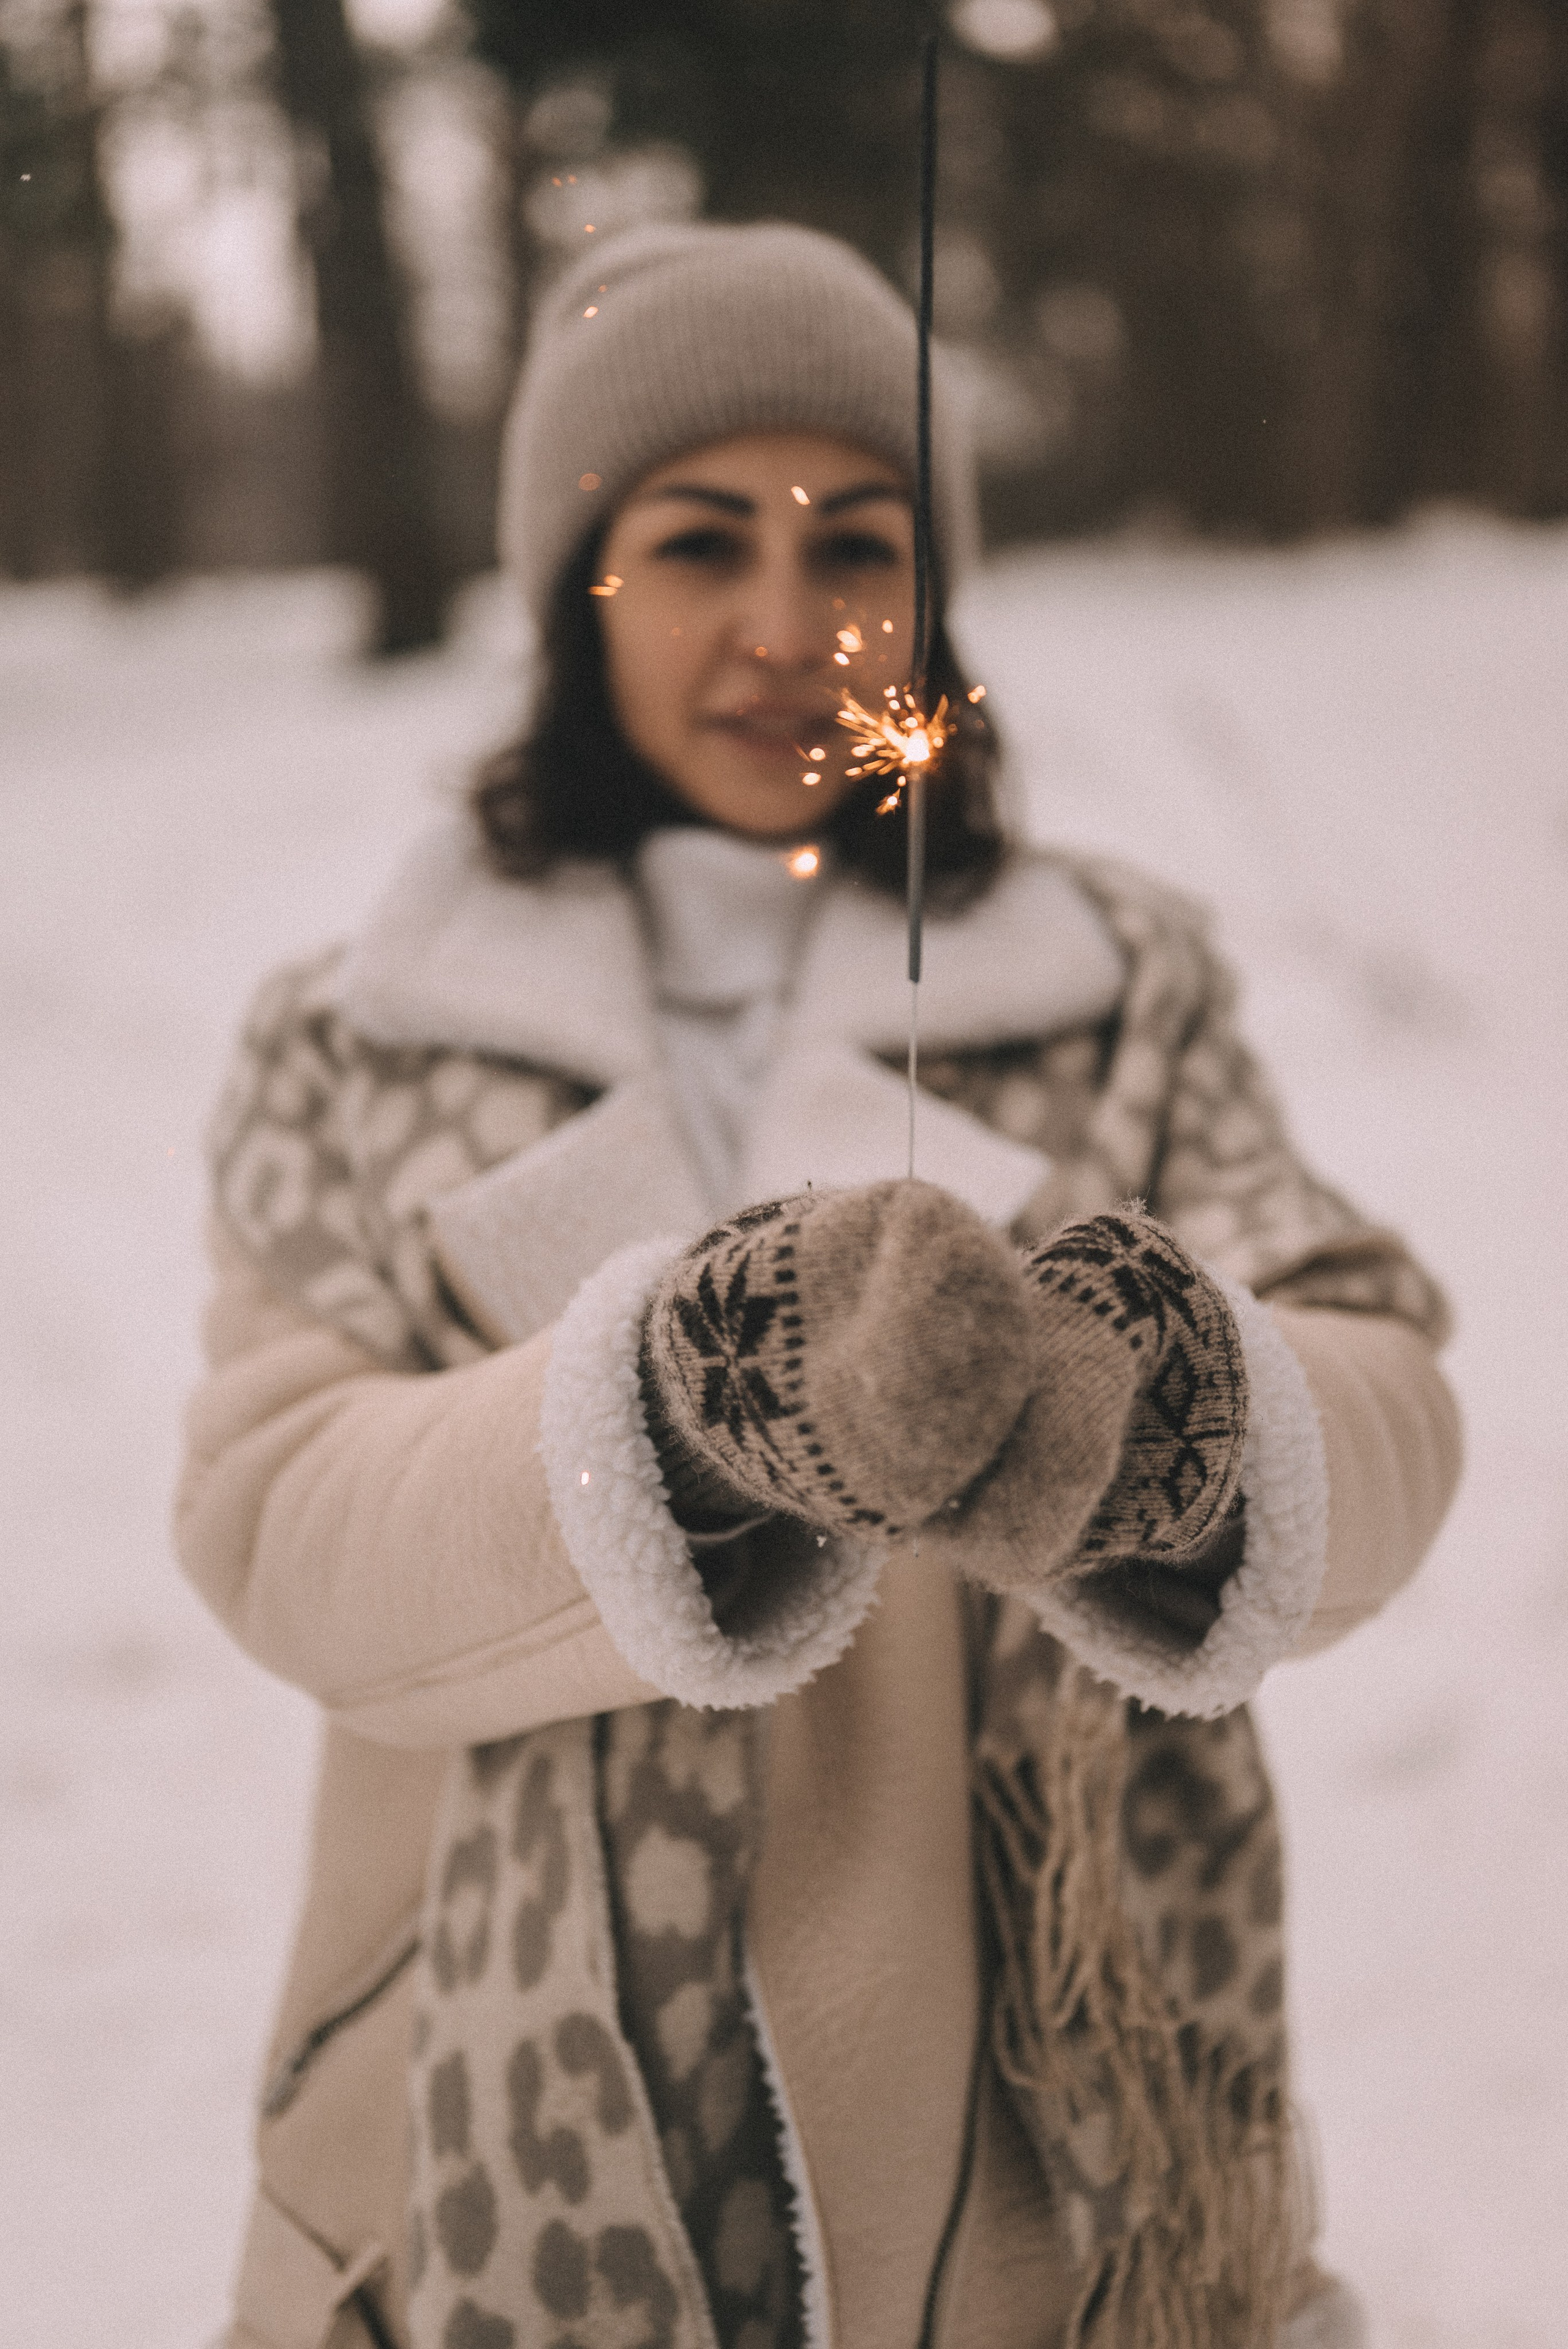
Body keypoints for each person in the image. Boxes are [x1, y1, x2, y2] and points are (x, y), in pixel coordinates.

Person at [178, 224, 1461, 2349]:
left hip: (1069, 2174)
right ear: (574, 593)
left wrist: (1187, 1419)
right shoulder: (357, 1033)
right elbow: (280, 1516)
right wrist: (682, 1405)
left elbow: (1392, 1403)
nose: (791, 627)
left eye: (857, 543)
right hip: (476, 2159)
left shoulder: (1114, 989)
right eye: (695, 546)